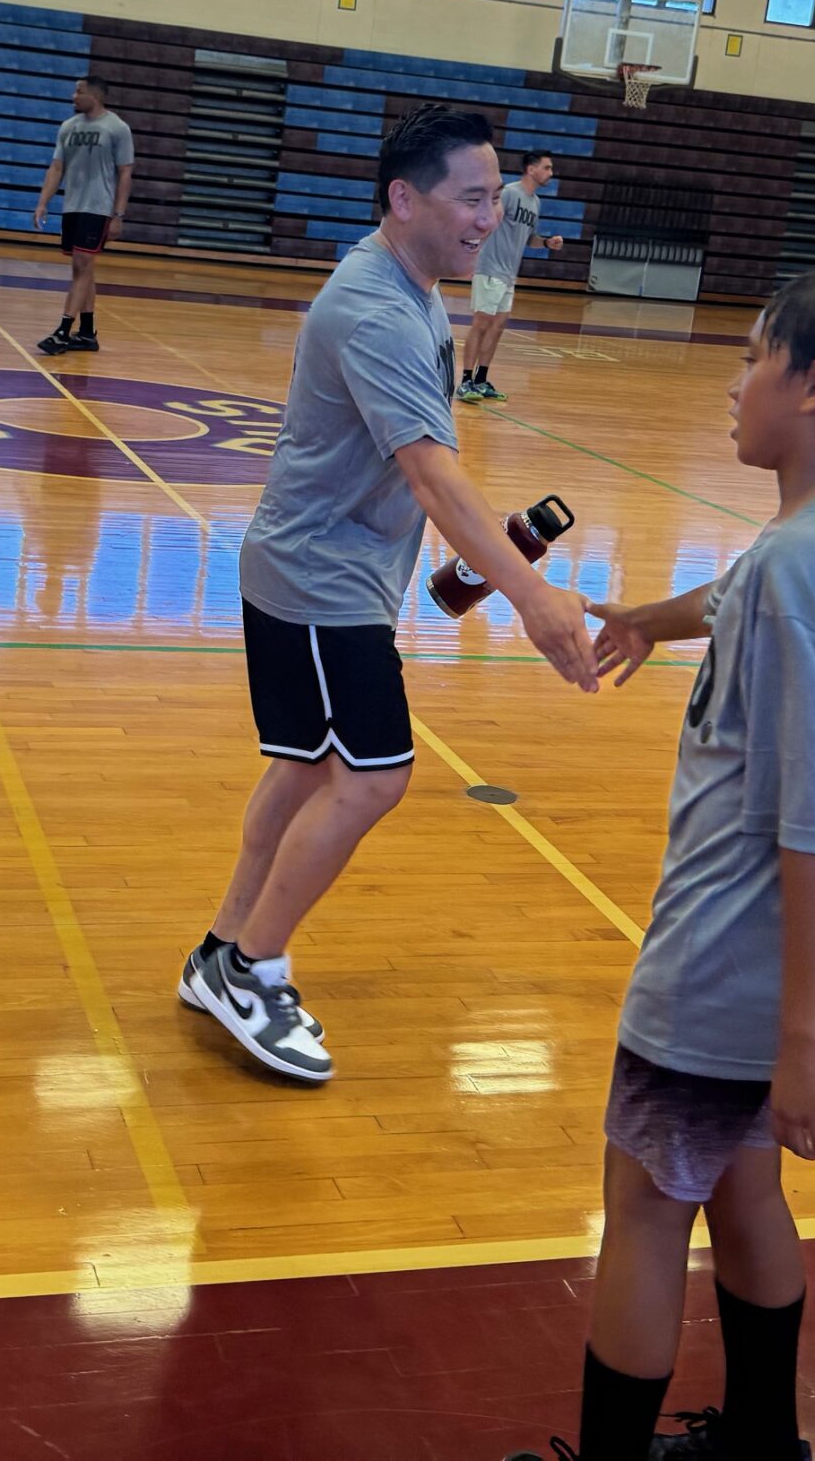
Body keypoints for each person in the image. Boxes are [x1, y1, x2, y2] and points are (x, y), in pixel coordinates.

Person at [502, 261, 815, 1461]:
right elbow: (750, 590)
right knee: (744, 1188)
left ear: (813, 385)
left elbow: (811, 818)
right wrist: (652, 620)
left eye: (754, 354)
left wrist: (802, 1043)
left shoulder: (806, 566)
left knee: (647, 1209)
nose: (734, 376)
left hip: (737, 949)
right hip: (780, 947)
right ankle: (764, 1442)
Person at [182, 106, 601, 1084]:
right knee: (372, 775)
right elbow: (431, 475)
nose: (488, 216)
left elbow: (423, 481)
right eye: (470, 197)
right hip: (320, 581)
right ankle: (254, 970)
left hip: (313, 566)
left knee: (298, 770)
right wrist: (531, 596)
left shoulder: (407, 287)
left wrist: (482, 557)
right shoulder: (376, 308)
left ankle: (222, 951)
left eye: (496, 197)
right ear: (402, 198)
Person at [30, 75, 134, 357]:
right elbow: (56, 167)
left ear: (96, 96)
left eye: (79, 92)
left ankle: (63, 332)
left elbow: (125, 173)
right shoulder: (68, 127)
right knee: (84, 269)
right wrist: (43, 203)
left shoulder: (117, 128)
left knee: (81, 266)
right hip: (72, 206)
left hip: (98, 207)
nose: (73, 96)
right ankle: (87, 333)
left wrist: (118, 214)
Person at [458, 150, 565, 404]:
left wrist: (548, 243)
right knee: (481, 325)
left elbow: (529, 239)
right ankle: (465, 381)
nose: (550, 173)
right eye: (547, 168)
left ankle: (482, 379)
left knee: (498, 326)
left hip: (508, 274)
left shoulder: (535, 202)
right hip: (490, 269)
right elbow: (482, 221)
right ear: (531, 169)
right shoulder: (509, 193)